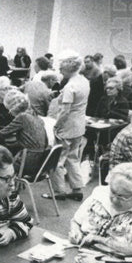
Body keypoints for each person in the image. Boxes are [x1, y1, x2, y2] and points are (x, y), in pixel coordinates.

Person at [69, 162, 132, 258]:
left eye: (123, 197)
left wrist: (100, 240)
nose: (115, 200)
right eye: (113, 192)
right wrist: (75, 232)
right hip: (79, 253)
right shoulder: (100, 192)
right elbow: (76, 221)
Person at [45, 55, 89, 201]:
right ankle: (77, 188)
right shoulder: (84, 81)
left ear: (68, 68)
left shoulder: (70, 86)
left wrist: (55, 125)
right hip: (79, 125)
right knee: (73, 158)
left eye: (62, 68)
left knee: (57, 159)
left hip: (67, 126)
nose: (60, 71)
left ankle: (59, 191)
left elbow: (65, 111)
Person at [0, 89, 48, 174]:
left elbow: (0, 134)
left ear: (12, 108)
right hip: (39, 163)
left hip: (26, 162)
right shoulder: (36, 117)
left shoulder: (22, 117)